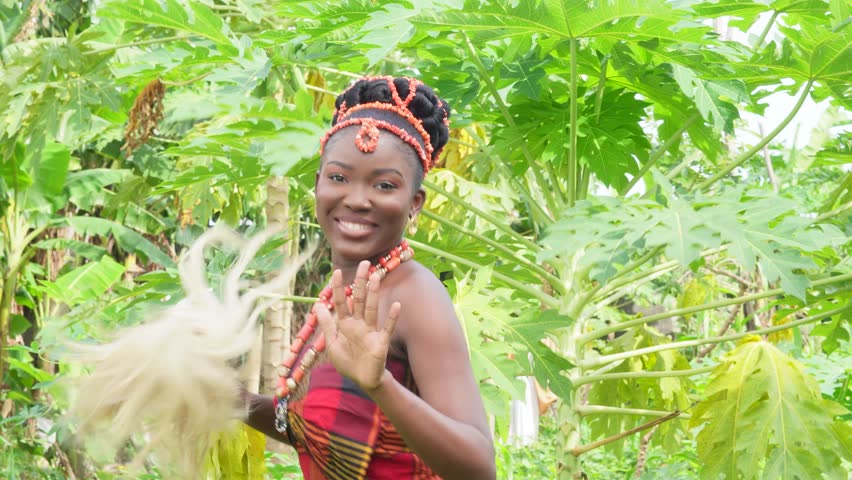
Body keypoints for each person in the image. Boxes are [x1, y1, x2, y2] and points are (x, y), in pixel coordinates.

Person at [244, 76, 496, 480]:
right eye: (339, 178)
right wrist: (229, 398)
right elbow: (320, 436)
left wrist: (382, 386)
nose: (357, 199)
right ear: (317, 185)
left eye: (384, 185)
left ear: (414, 204)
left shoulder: (415, 296)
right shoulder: (338, 296)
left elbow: (479, 467)